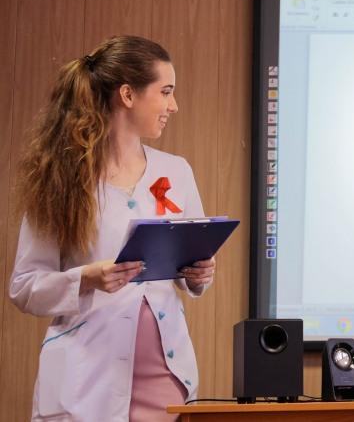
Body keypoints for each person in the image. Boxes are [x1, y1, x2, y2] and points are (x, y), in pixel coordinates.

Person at [9, 36, 216, 421]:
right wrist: (86, 278)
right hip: (85, 385)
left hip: (166, 383)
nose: (173, 105)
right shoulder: (60, 178)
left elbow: (191, 266)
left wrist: (199, 274)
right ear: (128, 95)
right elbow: (24, 287)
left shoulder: (176, 171)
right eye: (165, 92)